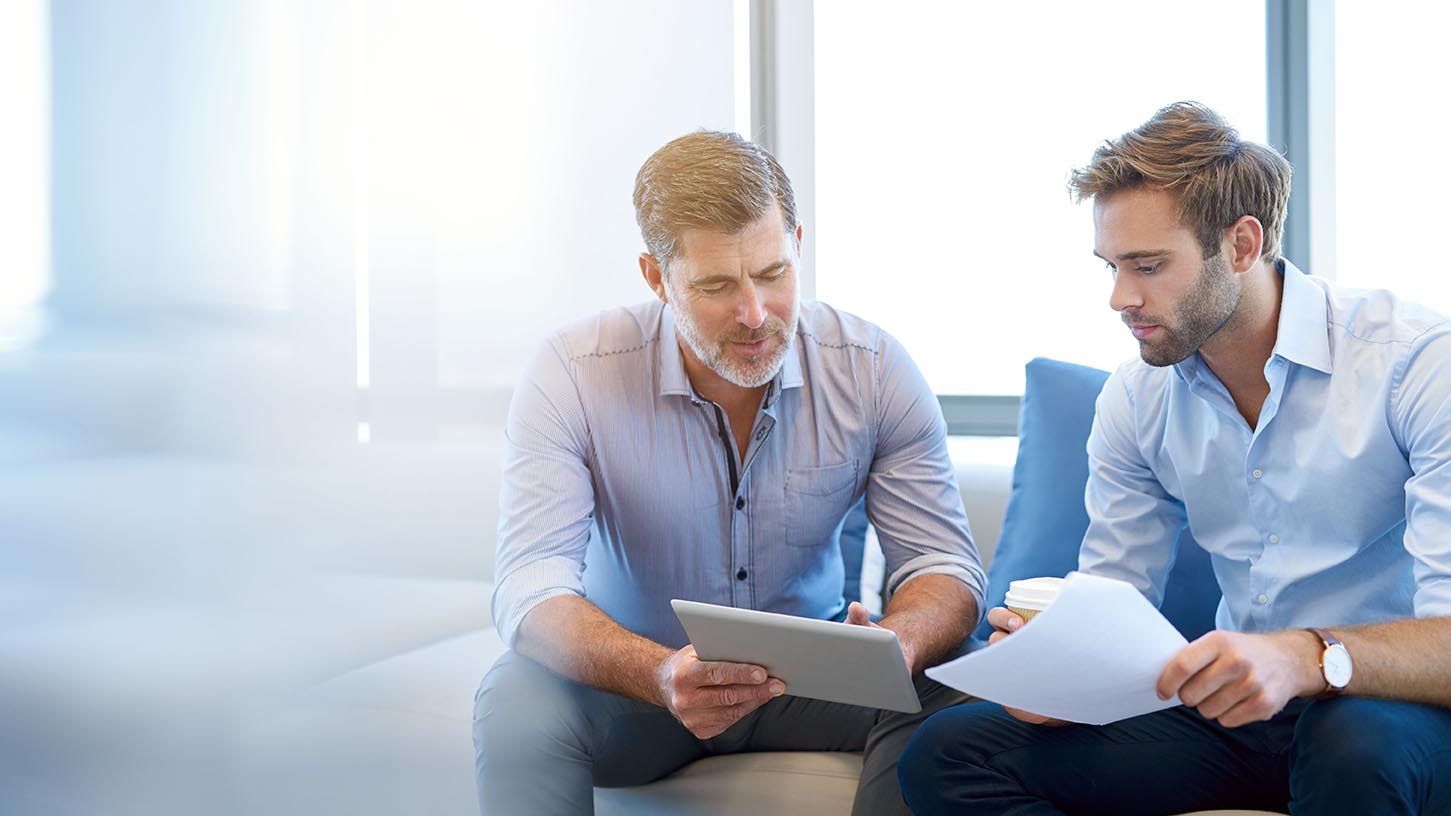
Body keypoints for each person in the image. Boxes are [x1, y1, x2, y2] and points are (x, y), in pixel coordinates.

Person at [898, 101, 1451, 815]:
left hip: (1392, 707)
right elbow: (1114, 599)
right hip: (1244, 718)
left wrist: (1304, 657)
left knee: (1350, 744)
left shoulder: (1413, 365)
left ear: (1242, 245)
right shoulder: (1138, 397)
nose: (1119, 297)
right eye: (1111, 266)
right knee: (948, 754)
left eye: (1148, 266)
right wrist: (1059, 673)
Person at [473, 130, 986, 815]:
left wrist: (901, 640)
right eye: (715, 285)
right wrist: (657, 673)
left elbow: (943, 563)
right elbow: (530, 585)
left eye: (772, 274)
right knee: (515, 699)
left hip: (815, 685)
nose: (753, 315)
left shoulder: (871, 367)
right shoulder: (572, 371)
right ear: (656, 277)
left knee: (962, 681)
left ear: (796, 242)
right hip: (637, 689)